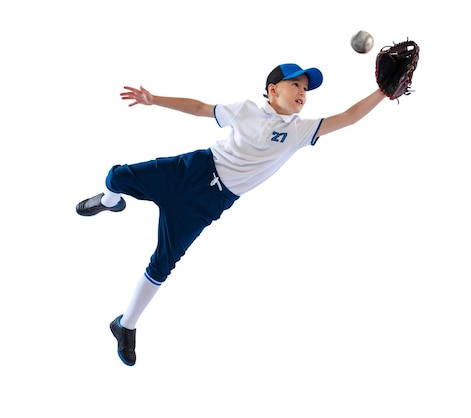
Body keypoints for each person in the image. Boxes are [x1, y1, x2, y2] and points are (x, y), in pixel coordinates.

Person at [76, 63, 387, 366]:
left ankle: (125, 325)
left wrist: (382, 92)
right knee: (117, 177)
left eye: (306, 89)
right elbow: (200, 108)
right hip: (192, 170)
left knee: (162, 263)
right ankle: (110, 201)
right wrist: (154, 99)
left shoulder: (300, 131)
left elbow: (349, 117)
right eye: (296, 85)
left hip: (210, 202)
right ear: (273, 89)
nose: (302, 92)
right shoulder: (246, 110)